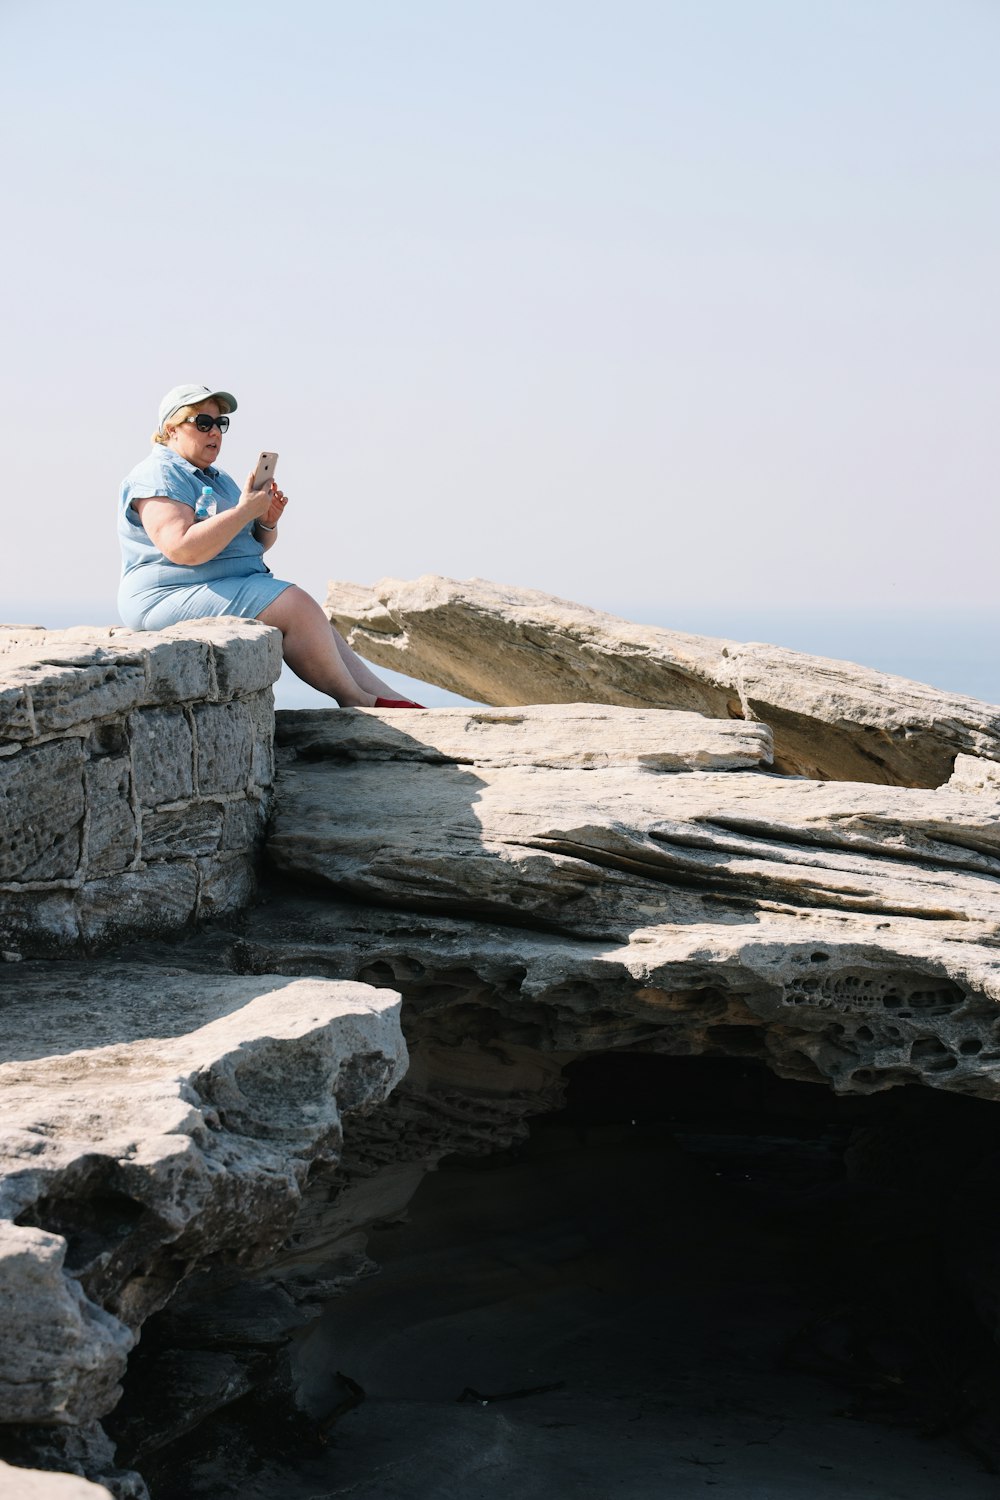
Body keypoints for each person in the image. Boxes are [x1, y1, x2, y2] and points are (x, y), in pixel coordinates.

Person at [117, 384, 423, 708]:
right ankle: (358, 702)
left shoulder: (216, 478)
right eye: (202, 423)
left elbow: (251, 545)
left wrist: (265, 521)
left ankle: (395, 702)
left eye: (220, 424)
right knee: (295, 605)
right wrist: (243, 510)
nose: (215, 432)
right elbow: (181, 548)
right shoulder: (158, 474)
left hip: (215, 584)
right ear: (171, 429)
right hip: (166, 595)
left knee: (315, 620)